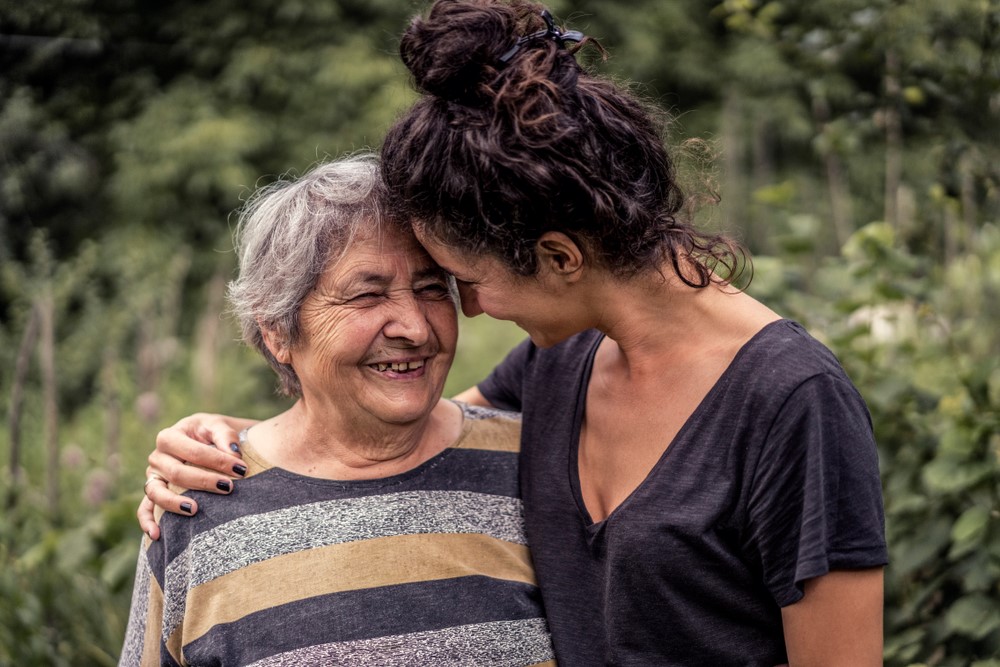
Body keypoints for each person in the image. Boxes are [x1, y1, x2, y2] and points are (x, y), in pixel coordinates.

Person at [139, 2, 888, 664]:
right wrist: (232, 445)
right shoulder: (563, 364)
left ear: (560, 258)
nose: (468, 310)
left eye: (462, 280)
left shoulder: (792, 401)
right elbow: (392, 429)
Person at [120, 155, 556, 666]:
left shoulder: (534, 463)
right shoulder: (197, 507)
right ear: (277, 332)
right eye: (367, 295)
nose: (415, 328)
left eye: (432, 288)